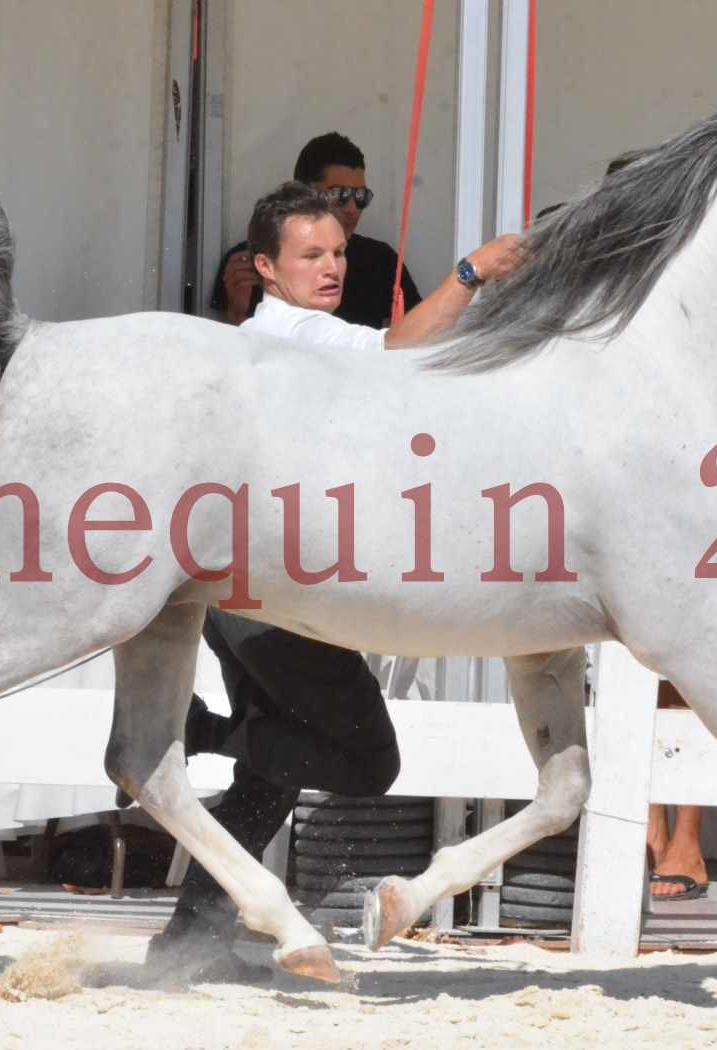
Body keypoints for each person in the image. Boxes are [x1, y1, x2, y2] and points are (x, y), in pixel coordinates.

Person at [149, 181, 523, 982]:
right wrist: (473, 271)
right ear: (264, 268)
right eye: (309, 255)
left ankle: (188, 942)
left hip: (248, 596)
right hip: (273, 599)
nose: (330, 266)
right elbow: (400, 350)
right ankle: (201, 733)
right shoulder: (288, 333)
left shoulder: (296, 330)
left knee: (275, 774)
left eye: (338, 252)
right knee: (363, 764)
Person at [209, 132, 421, 328]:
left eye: (361, 197)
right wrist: (237, 311)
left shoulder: (381, 261)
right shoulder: (247, 264)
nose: (352, 208)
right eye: (340, 195)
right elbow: (236, 355)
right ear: (266, 266)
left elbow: (418, 336)